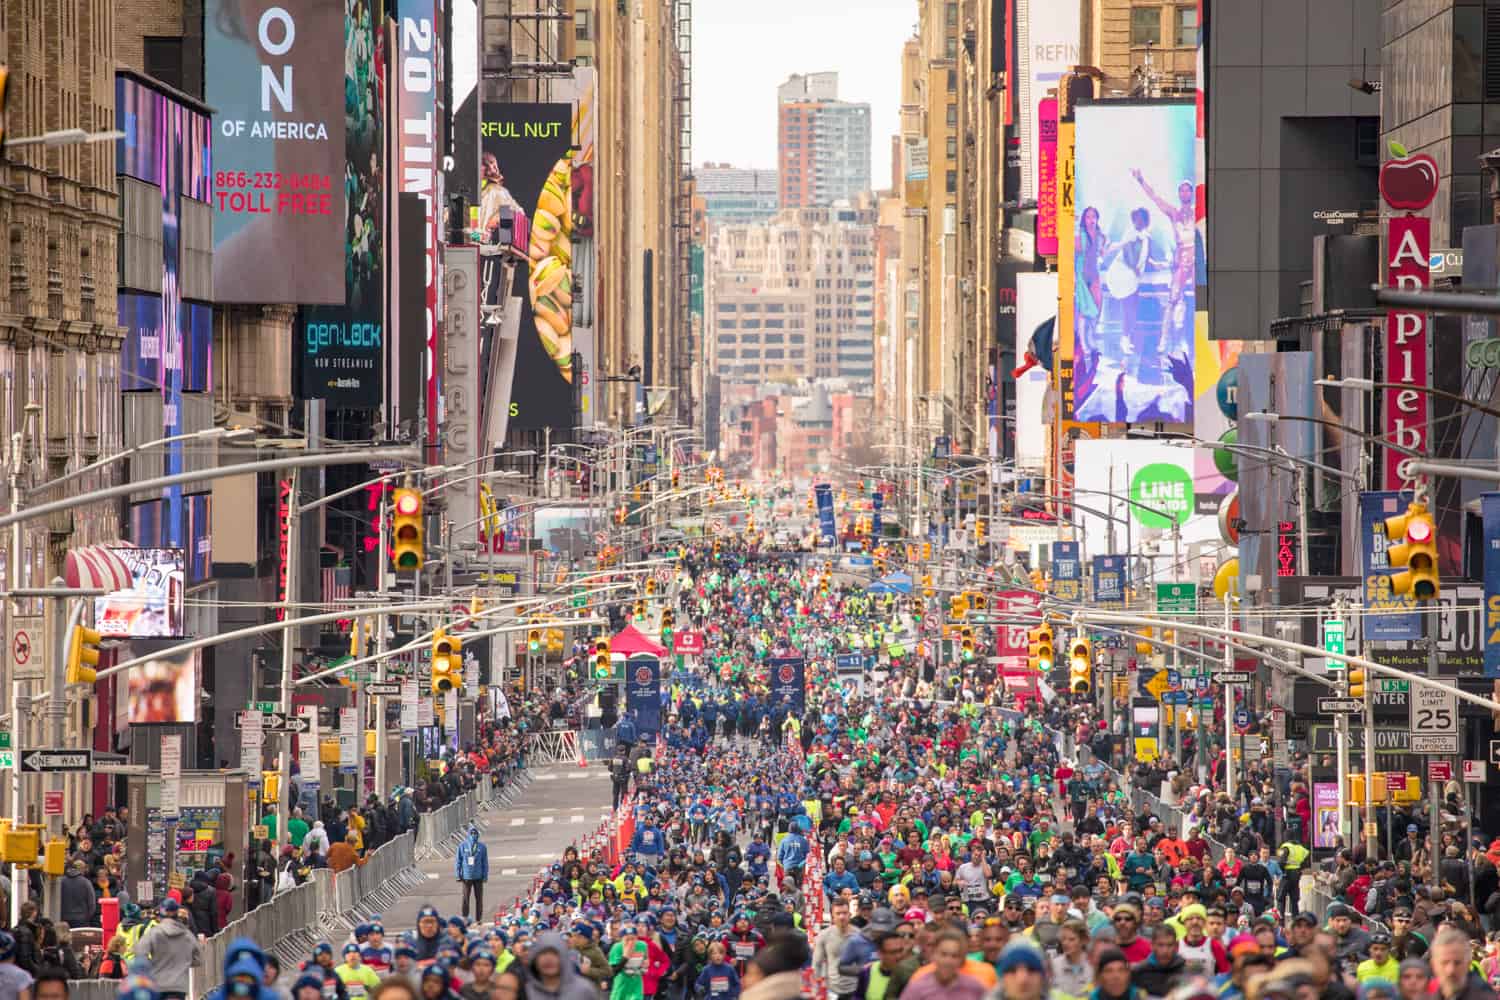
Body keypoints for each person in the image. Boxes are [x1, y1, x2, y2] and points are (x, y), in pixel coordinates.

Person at [136, 899, 200, 1000]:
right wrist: (183, 962)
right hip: (180, 986)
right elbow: (198, 959)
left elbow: (140, 953)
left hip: (158, 984)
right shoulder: (187, 934)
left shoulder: (154, 933)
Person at [899, 929, 987, 1000]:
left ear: (962, 960)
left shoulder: (974, 987)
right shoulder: (917, 989)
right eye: (943, 954)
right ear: (934, 955)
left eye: (954, 956)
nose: (948, 961)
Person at [527, 931, 598, 1000]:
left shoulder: (584, 990)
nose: (549, 958)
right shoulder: (525, 991)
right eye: (543, 953)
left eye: (554, 953)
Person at [1430, 927, 1495, 1000]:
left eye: (1457, 963)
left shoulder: (1483, 995)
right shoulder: (1424, 991)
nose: (1451, 970)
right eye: (1444, 963)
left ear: (1468, 964)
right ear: (1433, 964)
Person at [812, 899, 855, 1000]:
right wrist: (818, 990)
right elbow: (816, 965)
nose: (841, 917)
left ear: (849, 914)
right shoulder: (824, 936)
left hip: (855, 989)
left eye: (844, 913)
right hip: (833, 990)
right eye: (838, 913)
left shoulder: (859, 935)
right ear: (832, 916)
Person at [455, 826, 489, 922]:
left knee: (479, 899)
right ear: (468, 835)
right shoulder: (462, 846)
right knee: (465, 899)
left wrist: (485, 875)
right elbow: (458, 861)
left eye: (475, 834)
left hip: (478, 877)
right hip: (466, 876)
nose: (474, 835)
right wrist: (458, 875)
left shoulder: (482, 847)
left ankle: (478, 919)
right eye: (472, 833)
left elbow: (485, 862)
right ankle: (465, 919)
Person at [58, 863, 95, 930]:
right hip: (82, 920)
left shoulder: (60, 882)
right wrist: (87, 917)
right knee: (80, 940)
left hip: (64, 919)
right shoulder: (86, 882)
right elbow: (92, 903)